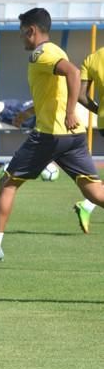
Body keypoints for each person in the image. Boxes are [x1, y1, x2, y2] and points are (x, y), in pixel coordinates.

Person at [0, 8, 104, 268]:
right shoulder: (57, 51)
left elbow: (72, 74)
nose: (21, 39)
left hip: (50, 135)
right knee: (93, 192)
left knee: (8, 183)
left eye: (22, 33)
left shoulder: (42, 54)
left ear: (31, 30)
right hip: (74, 136)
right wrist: (27, 112)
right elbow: (53, 93)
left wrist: (71, 112)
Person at [74, 46, 104, 233]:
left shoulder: (92, 58)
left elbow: (80, 95)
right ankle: (87, 205)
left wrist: (98, 110)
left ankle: (87, 205)